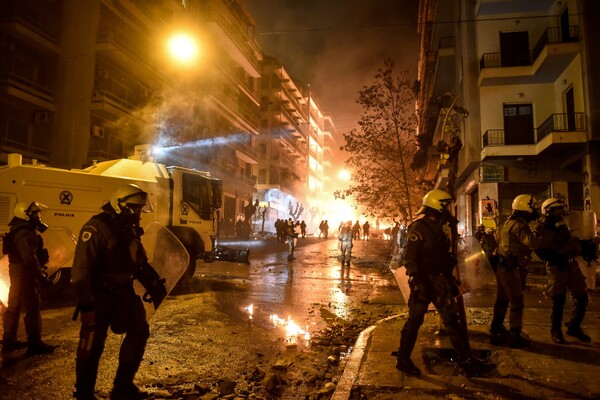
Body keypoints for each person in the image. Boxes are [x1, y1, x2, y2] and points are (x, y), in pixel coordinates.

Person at [395, 189, 496, 377]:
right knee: (415, 320)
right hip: (424, 282)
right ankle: (403, 359)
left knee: (452, 321)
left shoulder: (439, 228)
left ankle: (467, 362)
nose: (448, 209)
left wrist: (450, 278)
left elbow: (444, 256)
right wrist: (417, 280)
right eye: (445, 206)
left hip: (440, 281)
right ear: (436, 206)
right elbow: (409, 258)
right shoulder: (419, 227)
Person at [71, 184, 153, 400]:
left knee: (140, 330)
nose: (139, 213)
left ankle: (122, 386)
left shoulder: (126, 228)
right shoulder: (96, 227)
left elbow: (135, 261)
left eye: (141, 209)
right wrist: (86, 305)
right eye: (135, 208)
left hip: (123, 293)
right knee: (92, 344)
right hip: (99, 296)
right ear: (120, 205)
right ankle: (84, 393)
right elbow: (80, 271)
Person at [1, 201, 56, 357]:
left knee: (13, 306)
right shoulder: (26, 233)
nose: (39, 217)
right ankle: (35, 344)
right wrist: (42, 277)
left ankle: (9, 341)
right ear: (26, 215)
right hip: (26, 275)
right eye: (36, 214)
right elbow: (30, 259)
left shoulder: (17, 231)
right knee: (32, 309)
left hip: (17, 274)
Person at [534, 197, 591, 344]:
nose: (560, 211)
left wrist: (582, 247)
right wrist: (555, 258)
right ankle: (556, 331)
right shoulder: (542, 229)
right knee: (558, 300)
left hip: (571, 264)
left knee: (582, 296)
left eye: (560, 208)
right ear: (548, 211)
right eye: (556, 209)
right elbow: (540, 249)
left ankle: (574, 326)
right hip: (557, 267)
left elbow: (570, 243)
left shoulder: (561, 226)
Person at [491, 194, 539, 348]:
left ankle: (496, 326)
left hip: (503, 266)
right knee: (517, 301)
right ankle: (514, 335)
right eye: (533, 208)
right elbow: (532, 243)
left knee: (502, 298)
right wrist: (539, 230)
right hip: (511, 268)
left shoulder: (509, 222)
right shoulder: (520, 225)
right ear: (526, 208)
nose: (535, 211)